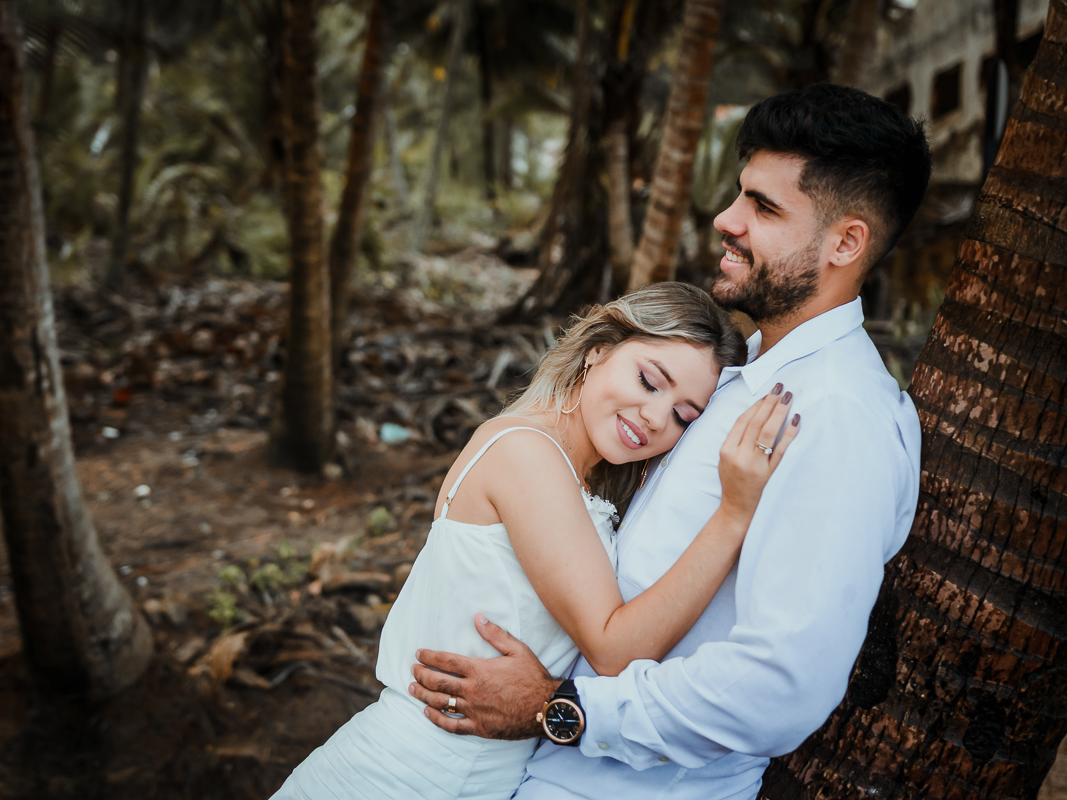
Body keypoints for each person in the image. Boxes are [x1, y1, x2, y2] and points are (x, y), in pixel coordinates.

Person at [409, 83, 932, 800]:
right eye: (739, 194)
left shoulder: (838, 417)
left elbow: (781, 686)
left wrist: (560, 710)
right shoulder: (738, 377)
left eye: (764, 207)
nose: (726, 219)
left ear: (845, 243)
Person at [272, 282, 802, 800]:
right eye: (649, 380)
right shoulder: (527, 454)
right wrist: (734, 515)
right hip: (411, 775)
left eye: (685, 414)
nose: (656, 417)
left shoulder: (574, 472)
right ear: (598, 351)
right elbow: (617, 649)